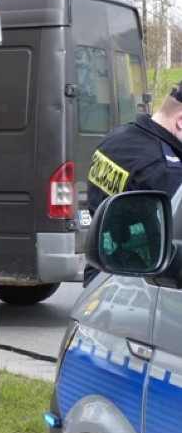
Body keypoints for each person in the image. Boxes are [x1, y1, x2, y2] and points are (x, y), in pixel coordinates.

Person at [84, 85, 182, 285]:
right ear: (180, 121)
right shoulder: (165, 170)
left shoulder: (116, 138)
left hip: (101, 271)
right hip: (140, 283)